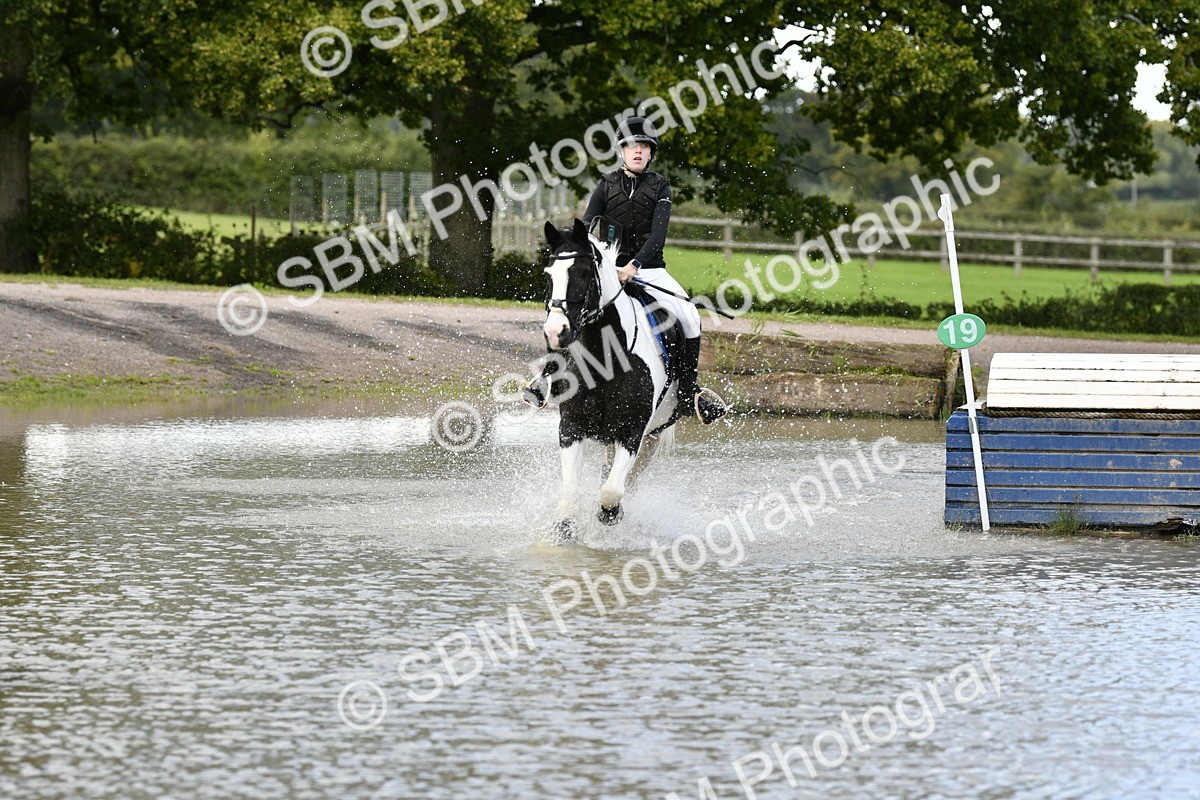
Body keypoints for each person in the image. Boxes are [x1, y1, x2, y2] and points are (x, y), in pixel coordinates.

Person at [525, 115, 727, 424]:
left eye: (644, 147)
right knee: (567, 306)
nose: (638, 151)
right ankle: (546, 378)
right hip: (610, 268)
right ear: (622, 151)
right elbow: (591, 223)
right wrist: (596, 259)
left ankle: (688, 395)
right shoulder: (606, 184)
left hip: (649, 269)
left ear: (650, 153)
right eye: (632, 146)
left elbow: (658, 236)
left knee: (690, 316)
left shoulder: (661, 186)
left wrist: (635, 265)